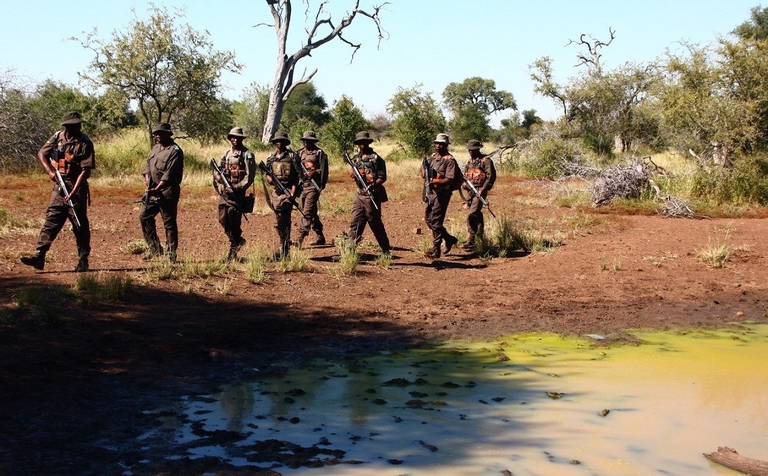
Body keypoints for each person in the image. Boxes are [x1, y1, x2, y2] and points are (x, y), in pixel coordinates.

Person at [20, 111, 95, 272]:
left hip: (77, 187)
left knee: (79, 224)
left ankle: (83, 260)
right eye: (73, 125)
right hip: (59, 186)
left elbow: (86, 171)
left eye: (78, 124)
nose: (77, 127)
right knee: (51, 220)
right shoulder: (57, 137)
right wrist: (50, 172)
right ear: (66, 126)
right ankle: (39, 256)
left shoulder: (85, 142)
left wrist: (74, 192)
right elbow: (42, 154)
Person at [139, 123, 184, 262]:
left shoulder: (175, 151)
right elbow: (148, 166)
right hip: (152, 191)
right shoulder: (155, 148)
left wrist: (158, 188)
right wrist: (148, 182)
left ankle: (171, 254)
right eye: (156, 133)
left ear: (168, 134)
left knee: (168, 223)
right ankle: (154, 248)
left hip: (167, 192)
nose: (157, 135)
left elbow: (169, 174)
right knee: (144, 216)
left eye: (160, 133)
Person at [213, 126, 256, 261]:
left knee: (234, 220)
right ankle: (237, 240)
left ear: (241, 139)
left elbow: (249, 176)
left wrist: (237, 187)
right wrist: (218, 178)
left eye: (238, 138)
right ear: (230, 139)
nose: (235, 140)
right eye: (233, 137)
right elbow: (217, 169)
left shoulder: (247, 154)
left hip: (237, 195)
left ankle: (233, 250)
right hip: (224, 194)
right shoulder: (226, 153)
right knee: (222, 220)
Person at [347, 131, 391, 255]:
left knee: (375, 223)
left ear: (368, 142)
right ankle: (350, 252)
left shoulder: (376, 159)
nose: (362, 145)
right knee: (355, 222)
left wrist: (373, 184)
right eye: (359, 143)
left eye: (364, 142)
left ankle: (386, 250)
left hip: (372, 195)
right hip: (359, 195)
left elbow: (382, 177)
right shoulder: (356, 158)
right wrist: (352, 174)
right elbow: (353, 173)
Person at [422, 133, 460, 259]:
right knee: (429, 220)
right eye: (437, 143)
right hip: (431, 192)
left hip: (442, 193)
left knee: (436, 221)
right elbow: (423, 168)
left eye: (441, 144)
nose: (438, 146)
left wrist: (435, 181)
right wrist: (425, 173)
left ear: (446, 145)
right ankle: (449, 239)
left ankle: (436, 248)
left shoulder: (450, 160)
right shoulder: (432, 157)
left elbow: (449, 179)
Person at [264, 130, 301, 257]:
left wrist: (293, 194)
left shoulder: (292, 157)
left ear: (286, 142)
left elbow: (297, 177)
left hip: (288, 192)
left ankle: (285, 250)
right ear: (274, 143)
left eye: (282, 141)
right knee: (278, 222)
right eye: (277, 141)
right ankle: (283, 244)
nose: (280, 143)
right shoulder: (271, 158)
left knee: (285, 220)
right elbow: (267, 174)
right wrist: (270, 179)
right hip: (276, 194)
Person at [462, 139, 497, 251]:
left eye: (473, 150)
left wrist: (484, 188)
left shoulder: (486, 160)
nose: (471, 152)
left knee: (472, 214)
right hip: (470, 192)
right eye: (470, 150)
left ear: (478, 149)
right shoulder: (468, 162)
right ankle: (480, 236)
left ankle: (471, 238)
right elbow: (465, 176)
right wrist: (463, 184)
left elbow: (491, 176)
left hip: (480, 191)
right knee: (476, 213)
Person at [295, 131, 329, 247]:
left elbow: (324, 171)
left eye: (308, 141)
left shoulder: (319, 153)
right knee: (312, 211)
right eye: (304, 140)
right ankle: (320, 236)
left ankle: (301, 237)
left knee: (307, 212)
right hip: (303, 186)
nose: (306, 142)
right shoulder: (299, 153)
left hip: (314, 186)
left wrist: (314, 172)